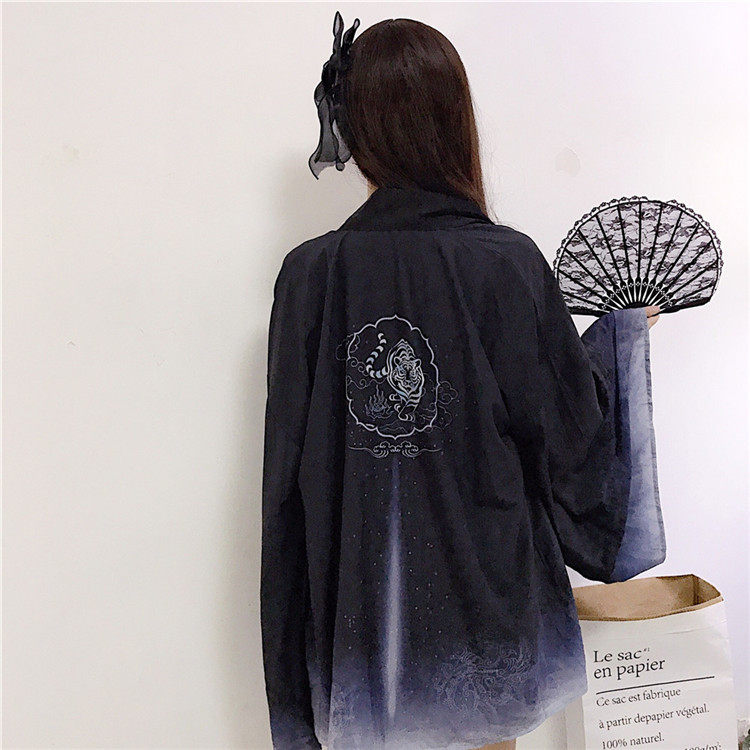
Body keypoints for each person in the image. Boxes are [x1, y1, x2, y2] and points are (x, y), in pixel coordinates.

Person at [260, 13, 666, 750]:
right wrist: (619, 341)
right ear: (454, 120)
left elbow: (288, 480)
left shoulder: (309, 276)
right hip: (487, 619)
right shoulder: (505, 264)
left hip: (359, 620)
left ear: (355, 125)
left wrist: (296, 643)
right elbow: (570, 439)